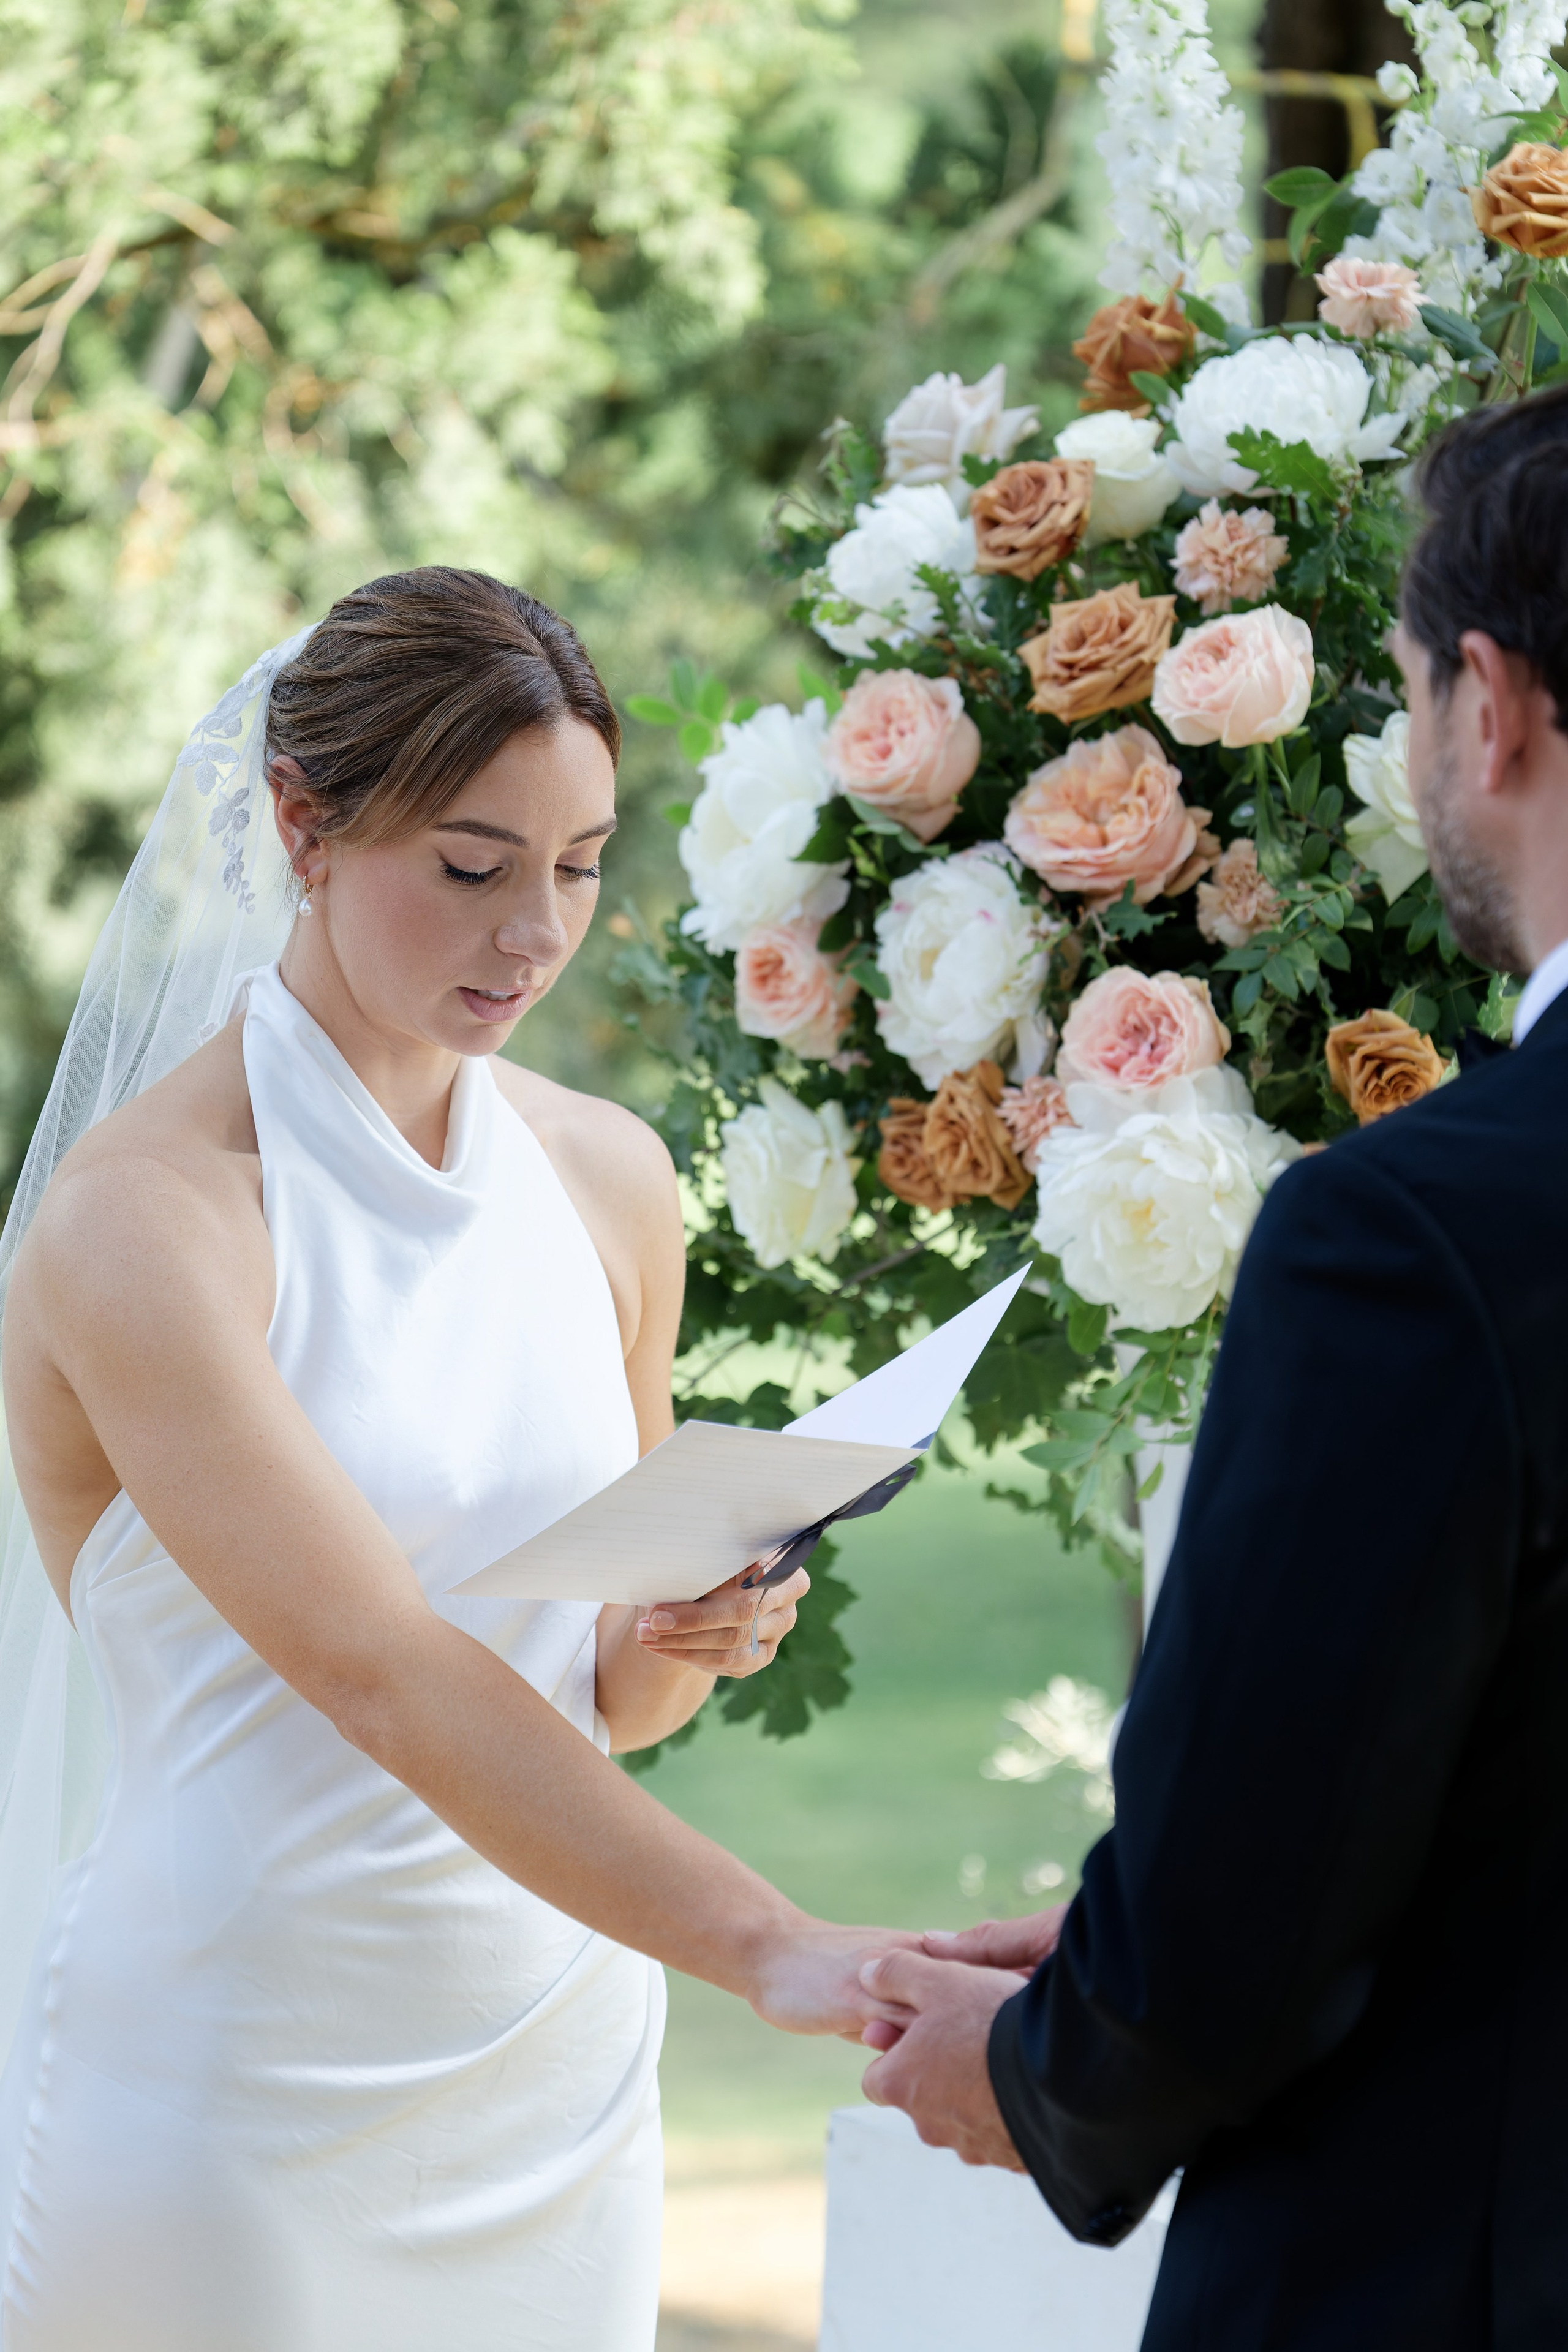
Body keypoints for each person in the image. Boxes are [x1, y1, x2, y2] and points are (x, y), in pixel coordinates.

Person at [0, 568, 907, 2351]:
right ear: (302, 826)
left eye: (579, 867)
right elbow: (384, 1673)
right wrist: (770, 1944)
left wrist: (681, 1631)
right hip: (236, 2094)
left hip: (552, 2072)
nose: (537, 932)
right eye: (474, 868)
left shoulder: (609, 1181)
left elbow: (597, 1698)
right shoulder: (148, 1222)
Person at [854, 383, 1568, 2348]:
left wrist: (1040, 2065)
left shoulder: (1421, 1233)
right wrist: (1109, 1958)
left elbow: (1258, 1899)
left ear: (1488, 707)